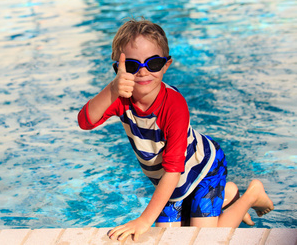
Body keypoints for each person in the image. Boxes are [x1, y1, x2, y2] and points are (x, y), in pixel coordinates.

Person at [77, 18, 274, 242]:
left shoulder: (174, 106)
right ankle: (227, 194)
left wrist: (144, 220)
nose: (142, 72)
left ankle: (250, 195)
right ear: (118, 69)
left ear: (166, 65)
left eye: (153, 63)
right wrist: (112, 89)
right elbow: (85, 121)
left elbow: (173, 170)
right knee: (168, 239)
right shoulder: (120, 97)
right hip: (172, 180)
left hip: (203, 169)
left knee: (203, 239)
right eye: (132, 66)